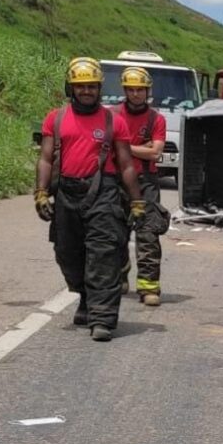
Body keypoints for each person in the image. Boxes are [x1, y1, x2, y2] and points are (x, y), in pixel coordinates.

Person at [34, 57, 145, 342]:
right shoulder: (55, 118)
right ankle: (85, 298)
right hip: (67, 194)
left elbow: (126, 164)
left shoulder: (114, 121)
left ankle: (103, 318)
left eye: (91, 86)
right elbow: (46, 159)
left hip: (104, 193)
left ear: (99, 88)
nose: (86, 91)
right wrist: (41, 192)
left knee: (103, 255)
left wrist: (136, 201)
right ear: (70, 88)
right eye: (80, 86)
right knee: (68, 254)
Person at [110, 66, 167, 307]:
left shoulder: (157, 119)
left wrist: (123, 147)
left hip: (146, 182)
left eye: (140, 90)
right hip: (116, 180)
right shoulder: (112, 115)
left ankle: (148, 287)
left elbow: (155, 152)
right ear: (125, 90)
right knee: (114, 231)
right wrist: (139, 148)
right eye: (131, 90)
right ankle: (119, 276)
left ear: (147, 91)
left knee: (148, 233)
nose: (135, 94)